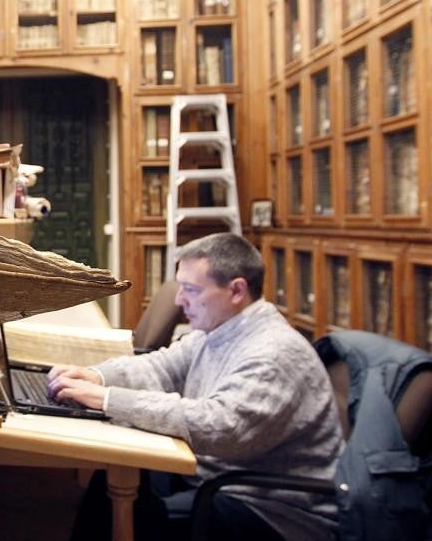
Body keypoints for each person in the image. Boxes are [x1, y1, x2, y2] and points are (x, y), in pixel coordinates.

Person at [49, 232, 343, 541]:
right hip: (219, 479)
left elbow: (218, 427)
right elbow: (161, 366)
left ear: (236, 290)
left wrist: (108, 399)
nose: (179, 300)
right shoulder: (217, 329)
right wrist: (98, 377)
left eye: (190, 289)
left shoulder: (274, 353)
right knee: (113, 476)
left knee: (139, 513)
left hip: (273, 510)